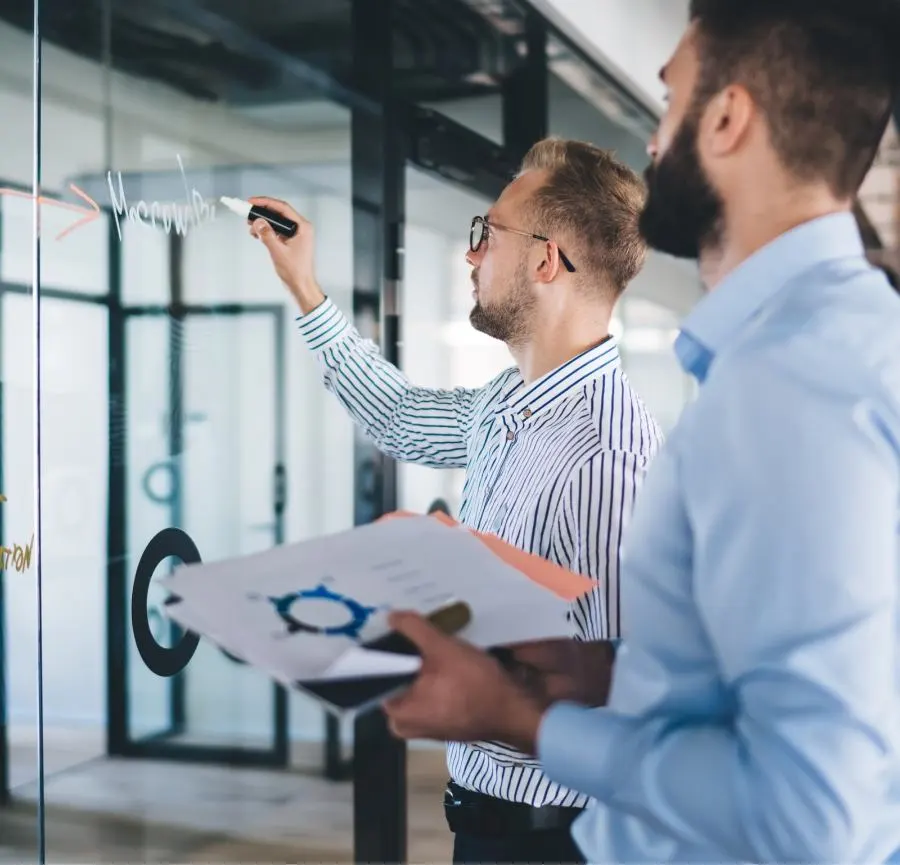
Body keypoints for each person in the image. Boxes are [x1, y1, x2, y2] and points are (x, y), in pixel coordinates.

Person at [378, 1, 900, 862]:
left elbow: (808, 817)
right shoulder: (826, 347)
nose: (655, 141)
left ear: (727, 119)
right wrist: (607, 678)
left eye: (670, 100)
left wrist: (526, 717)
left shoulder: (791, 383)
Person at [249, 138, 663, 864]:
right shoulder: (509, 400)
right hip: (485, 823)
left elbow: (614, 692)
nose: (471, 255)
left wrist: (457, 680)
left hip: (555, 839)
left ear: (547, 260)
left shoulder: (607, 451)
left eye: (487, 234)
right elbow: (399, 415)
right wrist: (305, 287)